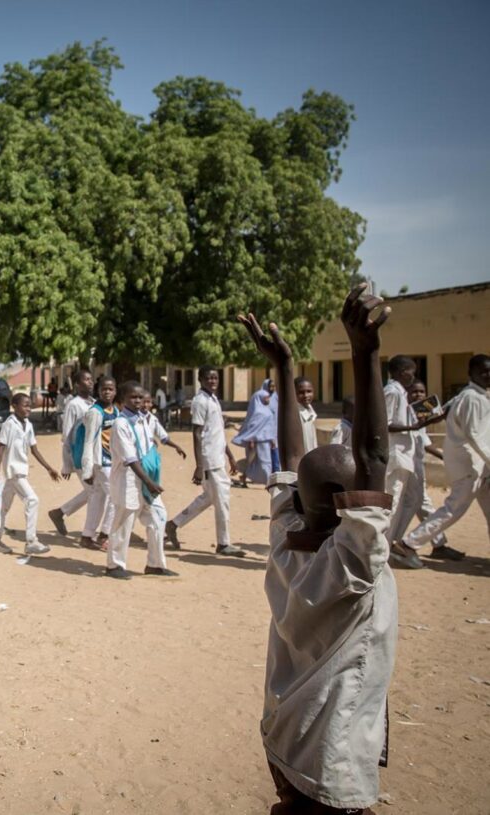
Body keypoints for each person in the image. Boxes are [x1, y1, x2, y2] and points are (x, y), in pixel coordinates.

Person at [241, 284, 396, 815]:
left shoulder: (286, 535)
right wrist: (364, 351)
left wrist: (284, 370)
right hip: (329, 756)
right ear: (354, 507)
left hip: (285, 740)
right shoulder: (354, 561)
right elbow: (374, 452)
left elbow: (291, 456)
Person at [402, 354, 490, 559]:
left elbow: (442, 409)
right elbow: (474, 436)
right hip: (470, 465)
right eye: (483, 371)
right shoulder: (471, 398)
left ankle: (412, 543)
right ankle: (409, 543)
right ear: (471, 374)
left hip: (478, 465)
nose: (488, 375)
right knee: (454, 508)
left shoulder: (472, 395)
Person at [165, 366, 246, 557]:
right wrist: (199, 465)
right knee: (222, 500)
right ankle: (224, 543)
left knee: (208, 498)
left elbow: (216, 432)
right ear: (200, 379)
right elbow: (197, 433)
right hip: (209, 459)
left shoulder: (213, 399)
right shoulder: (200, 401)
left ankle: (173, 524)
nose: (212, 381)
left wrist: (230, 455)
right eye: (208, 378)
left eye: (215, 377)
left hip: (218, 456)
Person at [102, 382, 177, 579]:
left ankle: (155, 564)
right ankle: (114, 565)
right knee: (123, 523)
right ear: (123, 400)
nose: (137, 401)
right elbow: (130, 459)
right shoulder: (121, 424)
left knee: (158, 518)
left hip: (146, 479)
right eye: (132, 397)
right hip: (128, 480)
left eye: (140, 397)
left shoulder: (145, 420)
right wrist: (150, 482)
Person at [382, 356, 444, 567]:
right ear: (401, 372)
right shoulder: (392, 392)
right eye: (411, 371)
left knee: (410, 501)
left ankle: (392, 543)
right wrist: (412, 428)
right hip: (397, 456)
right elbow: (386, 424)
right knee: (393, 503)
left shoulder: (401, 393)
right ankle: (382, 548)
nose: (413, 376)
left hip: (405, 456)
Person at [0, 393, 60, 555]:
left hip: (20, 472)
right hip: (13, 472)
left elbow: (34, 449)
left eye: (29, 405)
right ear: (15, 406)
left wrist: (49, 468)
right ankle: (31, 541)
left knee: (3, 508)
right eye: (25, 405)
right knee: (32, 500)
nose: (28, 408)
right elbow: (1, 448)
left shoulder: (28, 424)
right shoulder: (9, 424)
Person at [48, 370, 95, 536]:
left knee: (95, 492)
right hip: (80, 456)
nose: (90, 382)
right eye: (86, 379)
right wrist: (67, 464)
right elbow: (67, 435)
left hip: (94, 456)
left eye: (91, 379)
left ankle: (59, 513)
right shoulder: (73, 405)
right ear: (77, 384)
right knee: (96, 493)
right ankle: (90, 533)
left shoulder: (93, 403)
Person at [78, 376, 119, 550]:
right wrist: (87, 469)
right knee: (116, 497)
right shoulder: (95, 412)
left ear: (115, 391)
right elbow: (88, 441)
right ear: (98, 391)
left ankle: (87, 535)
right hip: (101, 462)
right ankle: (104, 535)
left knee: (98, 498)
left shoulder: (114, 410)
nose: (107, 392)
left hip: (112, 460)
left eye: (110, 389)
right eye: (104, 389)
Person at [232, 379, 278, 486]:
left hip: (265, 441)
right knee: (253, 462)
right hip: (256, 442)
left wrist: (272, 440)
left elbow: (269, 427)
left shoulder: (268, 410)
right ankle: (265, 482)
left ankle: (265, 482)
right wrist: (251, 439)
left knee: (266, 463)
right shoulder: (257, 412)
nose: (268, 400)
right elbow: (252, 427)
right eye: (265, 398)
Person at [295, 377, 318, 454]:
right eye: (301, 392)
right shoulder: (295, 415)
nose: (306, 395)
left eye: (309, 391)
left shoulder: (310, 411)